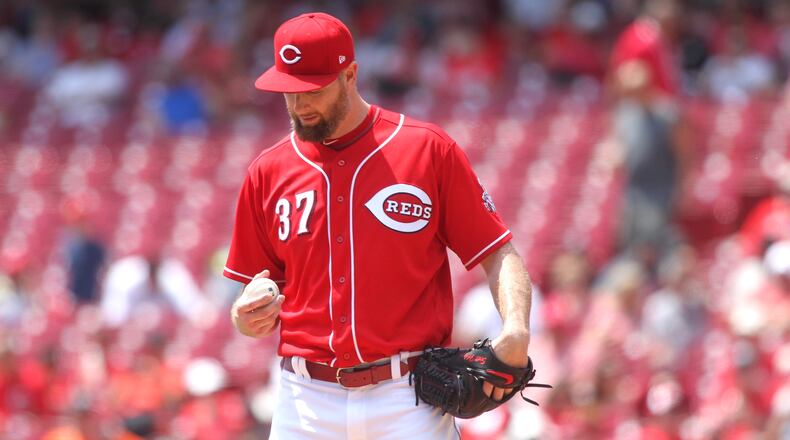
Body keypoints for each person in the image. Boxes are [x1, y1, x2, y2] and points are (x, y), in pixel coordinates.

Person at [223, 12, 535, 439]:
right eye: (289, 92)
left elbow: (498, 252)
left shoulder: (426, 150)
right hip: (305, 400)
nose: (299, 105)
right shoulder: (267, 171)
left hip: (406, 396)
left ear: (350, 74)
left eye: (312, 90)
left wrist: (516, 328)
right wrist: (246, 315)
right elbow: (251, 296)